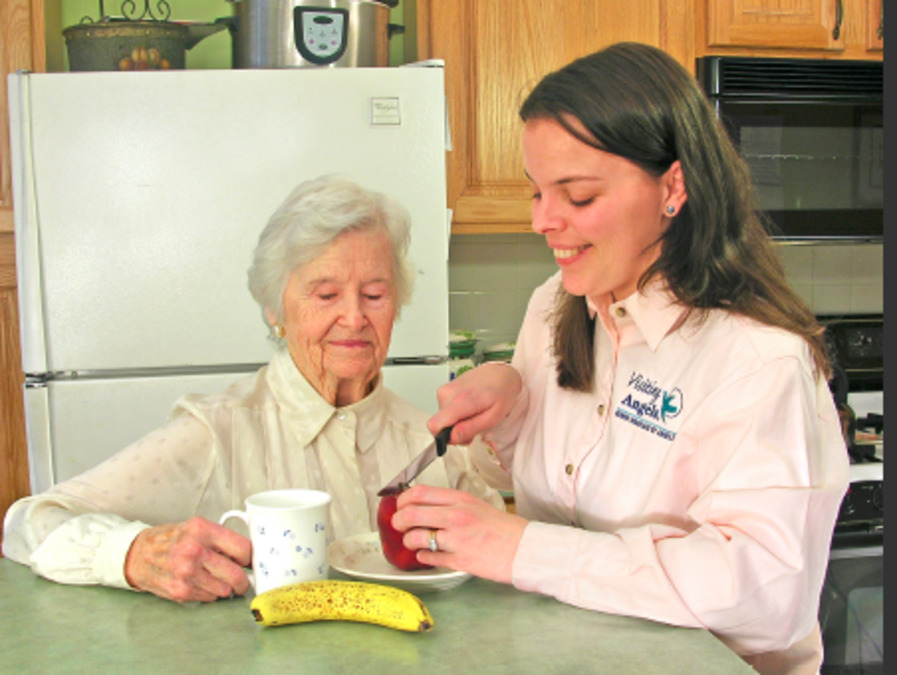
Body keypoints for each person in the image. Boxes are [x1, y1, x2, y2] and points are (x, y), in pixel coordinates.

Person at [391, 43, 848, 674]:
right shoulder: (557, 303)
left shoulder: (756, 360)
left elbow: (765, 594)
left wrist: (522, 549)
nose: (543, 222)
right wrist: (509, 411)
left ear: (673, 187)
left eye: (576, 196)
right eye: (537, 193)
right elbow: (550, 482)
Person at [2, 175, 503, 603]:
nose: (354, 317)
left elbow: (497, 571)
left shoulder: (433, 443)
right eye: (325, 294)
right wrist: (134, 555)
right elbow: (31, 520)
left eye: (375, 294)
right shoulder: (218, 432)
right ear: (274, 309)